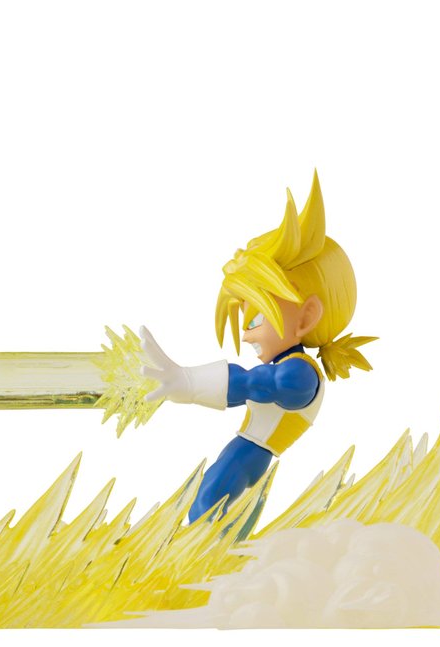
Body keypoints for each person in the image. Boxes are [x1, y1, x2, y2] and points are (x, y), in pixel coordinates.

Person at [141, 171, 376, 522]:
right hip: (247, 448)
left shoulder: (299, 375)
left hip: (251, 453)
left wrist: (188, 383)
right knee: (206, 503)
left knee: (207, 505)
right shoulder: (290, 367)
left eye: (255, 320)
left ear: (306, 316)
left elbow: (252, 383)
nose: (247, 335)